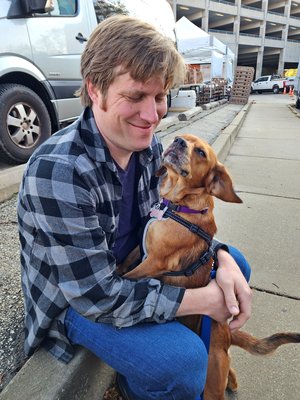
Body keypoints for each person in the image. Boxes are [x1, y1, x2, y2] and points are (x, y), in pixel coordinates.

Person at [17, 15, 252, 400]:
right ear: (95, 89)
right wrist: (199, 299)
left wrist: (221, 257)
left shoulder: (146, 148)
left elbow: (171, 224)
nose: (152, 114)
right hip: (76, 301)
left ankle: (206, 353)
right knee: (182, 362)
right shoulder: (59, 171)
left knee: (236, 266)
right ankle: (141, 387)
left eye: (159, 97)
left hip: (131, 264)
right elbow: (96, 297)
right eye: (135, 97)